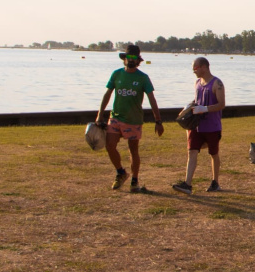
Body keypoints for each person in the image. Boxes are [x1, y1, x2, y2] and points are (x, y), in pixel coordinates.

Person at [95, 45, 163, 192]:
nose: (131, 60)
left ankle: (134, 180)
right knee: (110, 145)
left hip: (133, 120)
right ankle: (120, 172)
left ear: (138, 60)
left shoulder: (143, 78)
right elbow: (107, 95)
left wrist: (158, 120)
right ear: (124, 59)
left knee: (133, 150)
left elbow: (152, 99)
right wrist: (100, 115)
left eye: (134, 58)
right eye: (128, 57)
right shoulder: (116, 74)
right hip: (116, 117)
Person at [172, 57, 226, 195]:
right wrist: (187, 108)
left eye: (195, 68)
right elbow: (196, 100)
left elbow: (221, 104)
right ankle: (187, 184)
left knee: (213, 154)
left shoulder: (217, 83)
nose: (194, 71)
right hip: (196, 125)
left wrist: (205, 109)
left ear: (204, 67)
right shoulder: (197, 83)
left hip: (212, 126)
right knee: (192, 151)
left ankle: (215, 182)